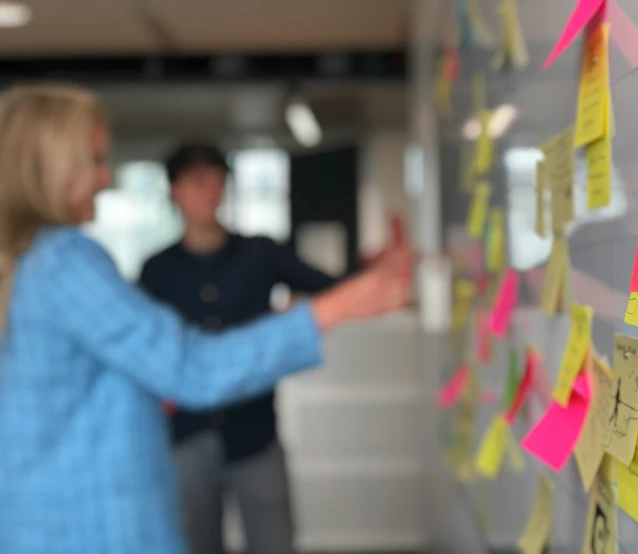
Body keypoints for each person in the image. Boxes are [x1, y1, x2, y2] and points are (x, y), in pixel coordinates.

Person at [0, 85, 412, 554]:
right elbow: (192, 368)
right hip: (99, 516)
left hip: (244, 437)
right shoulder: (66, 262)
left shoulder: (25, 263)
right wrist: (329, 311)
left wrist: (357, 283)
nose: (105, 178)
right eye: (93, 161)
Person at [139, 143, 338, 554]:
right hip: (187, 435)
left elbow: (328, 288)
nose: (209, 191)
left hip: (255, 429)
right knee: (193, 541)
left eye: (217, 180)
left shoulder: (259, 253)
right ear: (174, 191)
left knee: (273, 540)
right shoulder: (157, 270)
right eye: (197, 181)